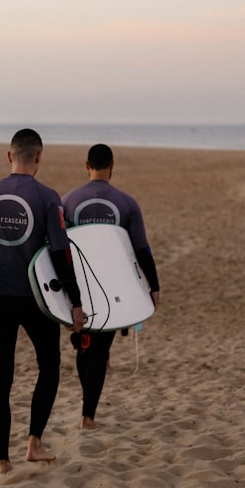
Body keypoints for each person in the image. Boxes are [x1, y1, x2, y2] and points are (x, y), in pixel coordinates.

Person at [0, 129, 86, 475]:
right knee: (49, 367)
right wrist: (75, 302)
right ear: (40, 157)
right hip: (36, 301)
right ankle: (34, 442)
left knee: (0, 380)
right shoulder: (48, 197)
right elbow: (61, 254)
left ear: (8, 155)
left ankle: (1, 461)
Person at [62, 144, 160, 430]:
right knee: (101, 350)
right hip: (113, 288)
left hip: (79, 286)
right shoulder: (126, 203)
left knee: (85, 346)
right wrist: (153, 285)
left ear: (86, 165)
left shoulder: (68, 201)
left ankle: (86, 401)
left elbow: (59, 248)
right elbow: (142, 249)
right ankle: (88, 416)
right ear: (112, 165)